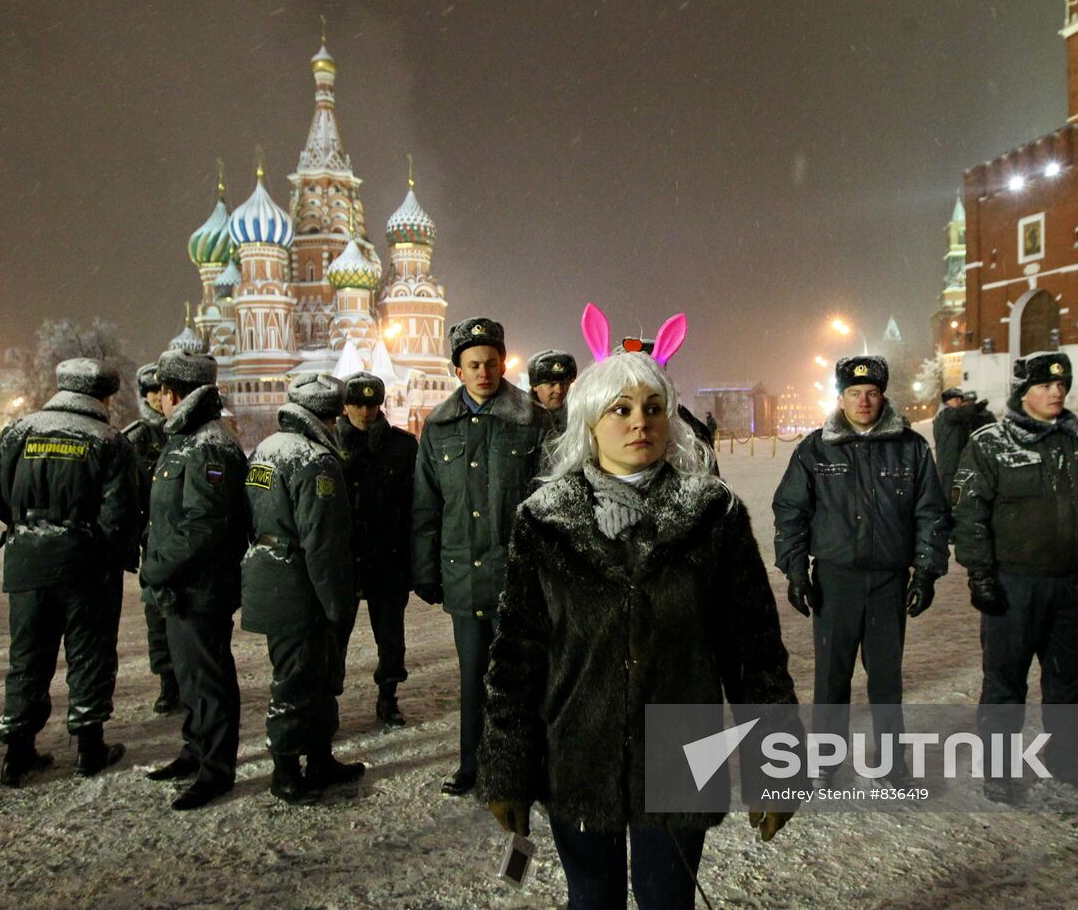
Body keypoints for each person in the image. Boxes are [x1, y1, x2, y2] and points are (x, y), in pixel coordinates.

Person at [479, 349, 797, 910]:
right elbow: (517, 654)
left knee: (667, 900)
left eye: (653, 407)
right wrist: (506, 766)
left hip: (682, 748)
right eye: (619, 409)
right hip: (578, 750)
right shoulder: (544, 519)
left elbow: (754, 649)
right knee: (592, 900)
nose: (638, 422)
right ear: (589, 422)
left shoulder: (711, 513)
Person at [950, 351, 1078, 803]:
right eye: (1044, 384)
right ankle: (999, 769)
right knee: (1004, 682)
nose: (1056, 391)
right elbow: (969, 513)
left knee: (1069, 682)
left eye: (1061, 384)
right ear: (1022, 391)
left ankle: (1070, 762)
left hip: (1074, 584)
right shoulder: (990, 444)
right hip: (1015, 584)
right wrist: (980, 575)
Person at [771, 356, 949, 786]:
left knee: (886, 680)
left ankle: (892, 765)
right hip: (835, 580)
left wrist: (925, 572)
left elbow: (932, 514)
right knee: (832, 678)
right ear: (841, 397)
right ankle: (826, 762)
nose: (863, 401)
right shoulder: (815, 448)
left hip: (889, 582)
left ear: (882, 395)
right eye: (854, 393)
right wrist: (796, 571)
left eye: (871, 393)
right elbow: (790, 512)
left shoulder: (911, 447)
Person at [412, 317, 553, 796]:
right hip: (464, 575)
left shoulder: (532, 419)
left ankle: (525, 768)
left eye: (491, 363)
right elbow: (426, 505)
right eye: (473, 364)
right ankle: (472, 765)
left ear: (502, 364)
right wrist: (425, 569)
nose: (484, 372)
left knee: (523, 678)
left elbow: (551, 498)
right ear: (457, 370)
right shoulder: (438, 426)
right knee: (473, 678)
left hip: (520, 577)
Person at [0, 358, 139, 787]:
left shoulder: (18, 432)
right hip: (84, 565)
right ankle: (90, 750)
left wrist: (30, 526)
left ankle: (17, 753)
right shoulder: (108, 441)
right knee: (89, 655)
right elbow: (121, 514)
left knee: (27, 657)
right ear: (103, 396)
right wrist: (108, 552)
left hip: (27, 562)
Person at [241, 373, 362, 804]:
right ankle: (287, 769)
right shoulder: (315, 460)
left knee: (304, 673)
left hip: (269, 576)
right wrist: (337, 604)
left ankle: (320, 758)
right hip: (302, 586)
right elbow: (323, 542)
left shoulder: (265, 450)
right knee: (299, 679)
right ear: (328, 415)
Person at [139, 350, 246, 810]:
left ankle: (216, 769)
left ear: (174, 392)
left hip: (200, 585)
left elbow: (206, 523)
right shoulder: (183, 438)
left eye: (162, 390)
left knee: (209, 680)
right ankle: (195, 750)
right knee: (188, 678)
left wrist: (158, 566)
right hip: (179, 585)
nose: (157, 399)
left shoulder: (208, 443)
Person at [338, 372, 418, 730]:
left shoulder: (402, 445)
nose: (366, 411)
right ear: (345, 405)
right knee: (334, 636)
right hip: (344, 558)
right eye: (358, 404)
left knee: (390, 638)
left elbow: (417, 503)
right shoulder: (328, 444)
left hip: (388, 556)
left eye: (372, 404)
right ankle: (327, 702)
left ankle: (388, 698)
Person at [123, 362, 179, 715]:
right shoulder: (138, 438)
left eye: (165, 391)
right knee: (157, 615)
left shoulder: (186, 432)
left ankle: (188, 678)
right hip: (154, 540)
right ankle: (167, 682)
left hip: (185, 536)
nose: (160, 398)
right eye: (153, 392)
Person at [933, 387, 995, 488]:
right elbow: (960, 413)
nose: (960, 402)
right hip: (951, 466)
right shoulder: (946, 413)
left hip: (952, 465)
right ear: (947, 401)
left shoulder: (947, 415)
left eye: (961, 400)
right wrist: (976, 408)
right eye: (956, 400)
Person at [526, 349, 578, 433]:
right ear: (535, 386)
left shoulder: (578, 418)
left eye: (564, 384)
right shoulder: (521, 423)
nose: (559, 390)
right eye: (552, 384)